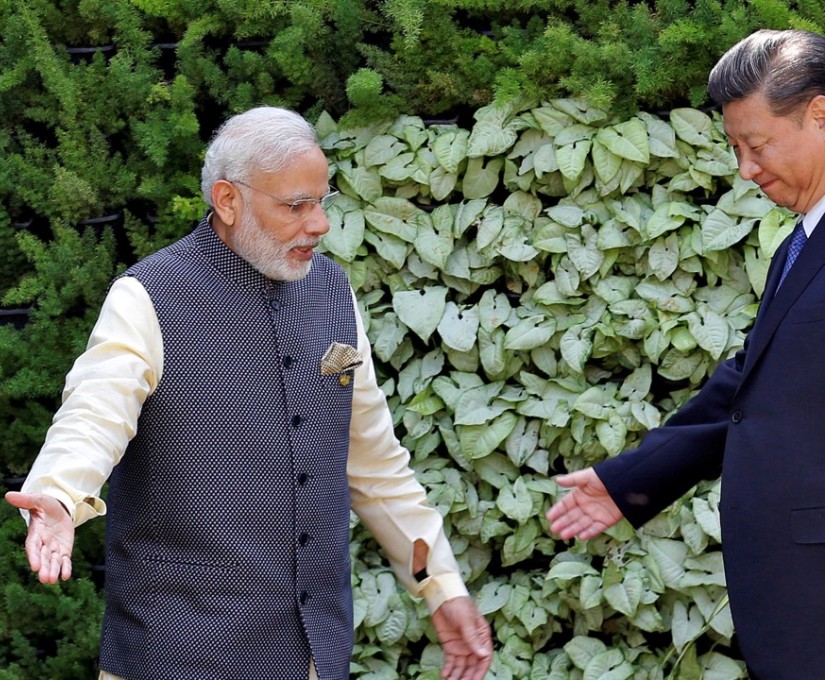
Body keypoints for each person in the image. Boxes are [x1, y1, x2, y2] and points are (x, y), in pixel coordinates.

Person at [547, 29, 825, 680]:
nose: (746, 169)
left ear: (820, 116)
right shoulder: (819, 235)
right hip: (817, 617)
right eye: (736, 148)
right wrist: (632, 480)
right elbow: (752, 387)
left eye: (755, 145)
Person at [5, 106, 492, 680]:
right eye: (295, 206)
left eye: (322, 201)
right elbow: (94, 412)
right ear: (227, 201)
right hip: (174, 661)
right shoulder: (149, 296)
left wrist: (440, 584)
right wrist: (59, 494)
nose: (320, 225)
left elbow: (377, 469)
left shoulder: (334, 293)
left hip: (313, 662)